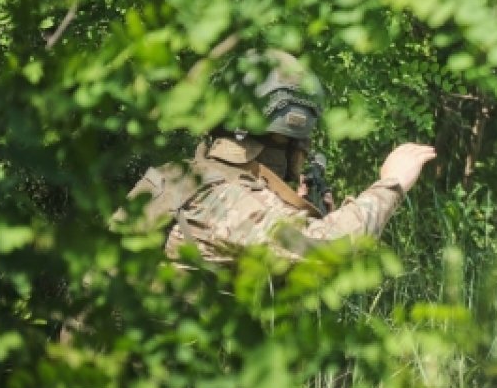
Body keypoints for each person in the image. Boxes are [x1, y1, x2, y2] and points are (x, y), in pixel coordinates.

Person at [118, 49, 436, 263]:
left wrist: (293, 207)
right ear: (283, 142)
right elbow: (322, 250)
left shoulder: (180, 176)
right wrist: (391, 184)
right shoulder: (226, 199)